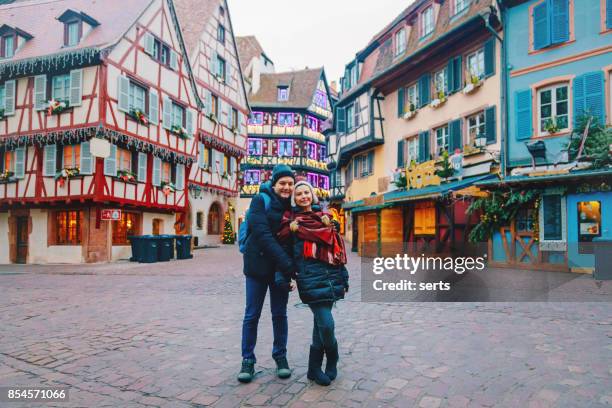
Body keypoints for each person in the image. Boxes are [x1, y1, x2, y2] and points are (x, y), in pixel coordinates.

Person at [276, 180, 349, 386]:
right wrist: (284, 277)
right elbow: (284, 254)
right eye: (299, 194)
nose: (303, 196)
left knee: (320, 324)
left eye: (306, 192)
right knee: (326, 324)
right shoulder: (291, 224)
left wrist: (343, 277)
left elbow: (336, 250)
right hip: (309, 278)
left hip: (331, 275)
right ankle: (332, 358)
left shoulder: (325, 219)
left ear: (312, 195)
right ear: (294, 199)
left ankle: (314, 368)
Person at [238, 164, 297, 383]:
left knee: (279, 314)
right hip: (257, 267)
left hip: (280, 271)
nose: (287, 187)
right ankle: (247, 360)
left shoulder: (293, 206)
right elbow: (263, 234)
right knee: (252, 315)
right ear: (274, 183)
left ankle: (280, 357)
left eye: (290, 183)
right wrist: (288, 265)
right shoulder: (259, 201)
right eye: (282, 183)